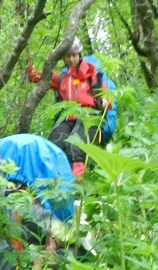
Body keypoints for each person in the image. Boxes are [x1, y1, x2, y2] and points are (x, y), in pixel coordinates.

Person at [28, 37, 117, 177]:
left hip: (90, 121)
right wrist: (29, 61)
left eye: (74, 55)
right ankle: (52, 181)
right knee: (54, 144)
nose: (71, 59)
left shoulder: (93, 76)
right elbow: (37, 77)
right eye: (68, 56)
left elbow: (108, 102)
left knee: (75, 148)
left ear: (79, 55)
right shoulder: (63, 78)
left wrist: (96, 102)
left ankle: (75, 188)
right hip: (68, 119)